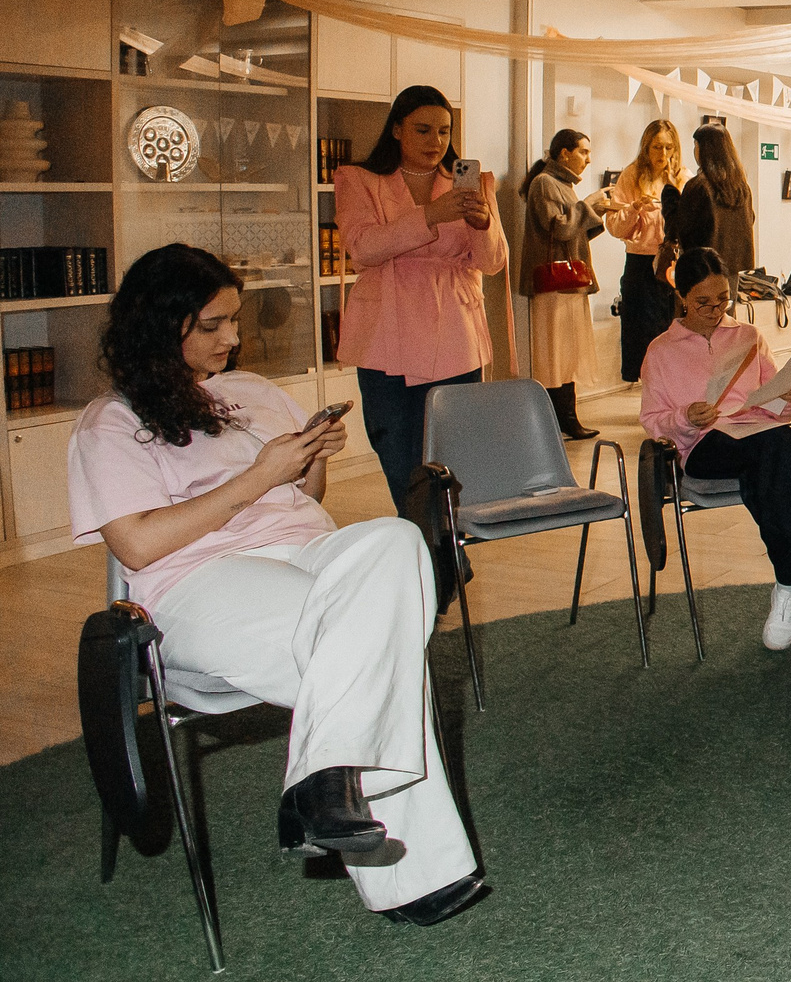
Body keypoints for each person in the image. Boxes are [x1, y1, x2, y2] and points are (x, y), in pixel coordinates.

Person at [69, 244, 488, 926]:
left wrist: (306, 461)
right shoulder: (111, 422)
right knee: (378, 641)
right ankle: (416, 873)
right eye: (213, 324)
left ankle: (322, 782)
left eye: (234, 320)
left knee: (396, 540)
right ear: (160, 324)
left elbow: (301, 495)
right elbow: (137, 542)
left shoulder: (254, 393)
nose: (233, 338)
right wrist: (259, 476)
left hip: (309, 550)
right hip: (194, 578)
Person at [640, 248, 791, 651]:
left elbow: (775, 408)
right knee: (782, 448)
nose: (715, 310)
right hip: (704, 446)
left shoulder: (749, 336)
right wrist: (685, 416)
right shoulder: (661, 350)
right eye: (703, 302)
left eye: (722, 300)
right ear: (682, 296)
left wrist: (787, 397)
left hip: (759, 438)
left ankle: (786, 586)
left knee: (771, 457)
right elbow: (652, 419)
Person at [331, 85, 507, 504]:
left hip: (455, 331)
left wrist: (483, 225)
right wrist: (431, 215)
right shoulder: (357, 179)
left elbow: (493, 262)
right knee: (396, 446)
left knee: (454, 448)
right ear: (396, 130)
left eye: (444, 132)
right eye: (423, 130)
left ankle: (446, 546)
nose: (436, 142)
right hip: (385, 333)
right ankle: (425, 541)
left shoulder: (472, 182)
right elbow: (364, 247)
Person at [519, 128, 609, 441]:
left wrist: (596, 212)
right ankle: (557, 420)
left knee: (567, 352)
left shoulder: (562, 184)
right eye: (583, 151)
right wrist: (588, 205)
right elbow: (558, 228)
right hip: (554, 283)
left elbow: (574, 230)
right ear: (564, 153)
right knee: (553, 353)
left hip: (568, 282)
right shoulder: (545, 182)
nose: (588, 158)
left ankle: (567, 418)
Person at [603, 118, 684, 382]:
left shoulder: (683, 176)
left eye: (668, 148)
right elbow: (615, 227)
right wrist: (634, 208)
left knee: (674, 331)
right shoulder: (632, 175)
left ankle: (674, 391)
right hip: (640, 262)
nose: (663, 154)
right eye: (657, 147)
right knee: (643, 332)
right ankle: (651, 393)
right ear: (646, 147)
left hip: (674, 264)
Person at [668, 123, 757, 285]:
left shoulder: (699, 186)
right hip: (731, 268)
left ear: (704, 149)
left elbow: (680, 230)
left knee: (703, 309)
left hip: (702, 269)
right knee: (726, 309)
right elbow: (750, 219)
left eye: (696, 145)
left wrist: (670, 192)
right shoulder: (741, 186)